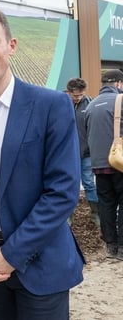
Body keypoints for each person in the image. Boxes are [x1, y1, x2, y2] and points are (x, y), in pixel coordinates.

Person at [0, 4, 84, 320]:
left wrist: (12, 254)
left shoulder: (52, 105)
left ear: (11, 46)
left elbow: (62, 191)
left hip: (41, 263)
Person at [84, 69, 123, 260]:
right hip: (119, 163)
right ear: (118, 83)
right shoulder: (120, 99)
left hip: (98, 165)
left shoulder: (91, 105)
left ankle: (111, 247)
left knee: (106, 205)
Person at [66, 77, 100, 226]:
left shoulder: (90, 103)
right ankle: (68, 215)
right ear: (69, 92)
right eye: (75, 95)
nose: (78, 98)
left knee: (89, 183)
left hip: (86, 153)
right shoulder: (60, 102)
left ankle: (96, 214)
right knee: (69, 184)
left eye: (81, 94)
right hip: (66, 154)